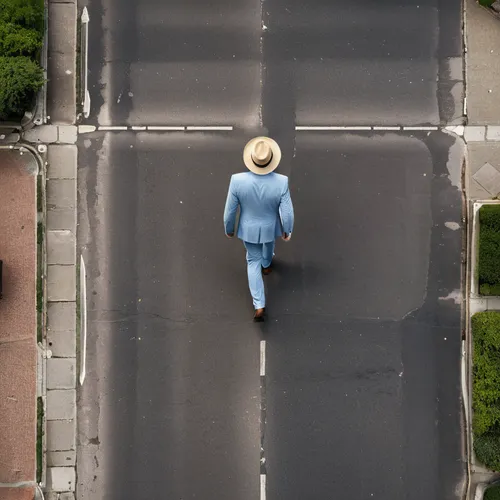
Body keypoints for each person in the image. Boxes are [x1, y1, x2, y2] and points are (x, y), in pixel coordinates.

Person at [223, 137, 294, 322]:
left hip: (248, 228)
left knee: (251, 261)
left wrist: (229, 229)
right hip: (270, 226)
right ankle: (267, 265)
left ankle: (259, 304)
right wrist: (287, 230)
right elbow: (287, 213)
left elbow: (229, 211)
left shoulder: (237, 181)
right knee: (268, 245)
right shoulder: (281, 182)